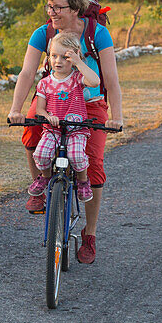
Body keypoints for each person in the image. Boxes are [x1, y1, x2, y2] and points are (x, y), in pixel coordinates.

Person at [7, 0, 124, 264]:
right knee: (31, 133)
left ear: (75, 9)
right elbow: (26, 74)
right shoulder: (43, 34)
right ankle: (41, 186)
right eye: (50, 7)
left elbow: (110, 79)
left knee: (93, 163)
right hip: (53, 101)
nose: (52, 13)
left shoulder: (97, 34)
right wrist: (15, 108)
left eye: (58, 8)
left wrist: (117, 117)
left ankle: (90, 234)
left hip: (90, 104)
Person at [26, 31, 100, 203]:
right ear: (49, 57)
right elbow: (40, 109)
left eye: (64, 57)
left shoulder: (77, 78)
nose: (58, 61)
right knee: (41, 154)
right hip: (52, 129)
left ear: (73, 59)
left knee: (77, 156)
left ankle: (82, 181)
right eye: (54, 56)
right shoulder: (44, 83)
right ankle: (45, 176)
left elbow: (95, 81)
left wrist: (78, 62)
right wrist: (47, 116)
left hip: (77, 129)